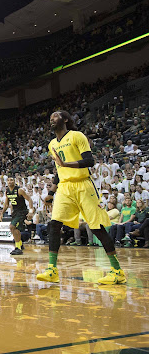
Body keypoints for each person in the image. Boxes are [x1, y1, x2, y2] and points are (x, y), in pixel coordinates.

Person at [36, 110, 125, 285]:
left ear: (66, 119)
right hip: (64, 187)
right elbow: (58, 172)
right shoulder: (52, 143)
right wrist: (51, 194)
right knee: (53, 224)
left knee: (97, 228)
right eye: (50, 117)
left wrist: (66, 164)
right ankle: (52, 269)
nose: (51, 119)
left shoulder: (77, 136)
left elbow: (89, 161)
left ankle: (117, 271)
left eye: (55, 116)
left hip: (83, 185)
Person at [0, 177, 35, 255]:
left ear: (14, 181)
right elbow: (6, 204)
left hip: (22, 212)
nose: (9, 181)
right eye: (8, 180)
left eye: (11, 180)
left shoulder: (19, 190)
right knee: (14, 229)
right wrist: (2, 213)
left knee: (12, 227)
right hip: (15, 212)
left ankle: (18, 248)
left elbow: (29, 199)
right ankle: (20, 244)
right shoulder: (7, 192)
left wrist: (31, 211)